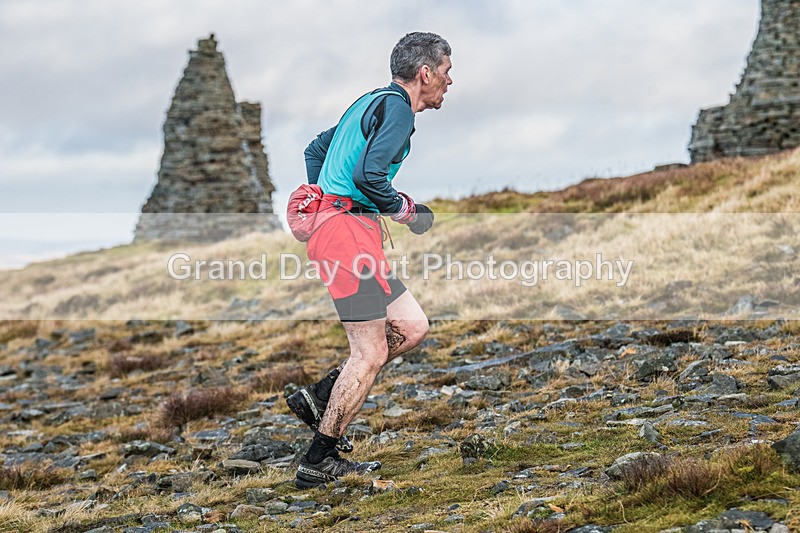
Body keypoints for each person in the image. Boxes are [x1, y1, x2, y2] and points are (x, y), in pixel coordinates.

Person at [286, 31, 453, 488]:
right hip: (344, 237)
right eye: (446, 71)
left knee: (413, 326)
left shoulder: (369, 101)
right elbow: (369, 173)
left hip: (349, 232)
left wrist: (327, 198)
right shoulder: (397, 109)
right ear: (426, 73)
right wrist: (405, 211)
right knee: (370, 351)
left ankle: (322, 394)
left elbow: (316, 149)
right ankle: (319, 459)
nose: (449, 81)